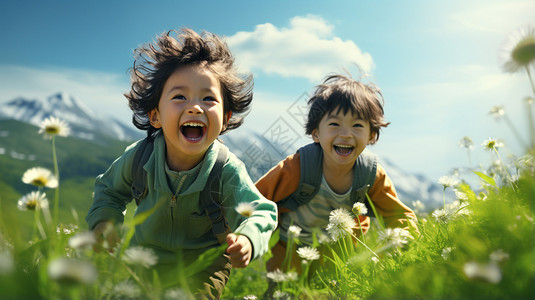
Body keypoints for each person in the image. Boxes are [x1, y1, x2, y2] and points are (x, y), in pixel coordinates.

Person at [85, 28, 277, 299]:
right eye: (179, 97)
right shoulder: (140, 158)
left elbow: (260, 211)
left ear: (225, 118)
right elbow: (109, 190)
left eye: (208, 98)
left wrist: (247, 238)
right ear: (156, 116)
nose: (195, 107)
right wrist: (104, 222)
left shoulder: (226, 169)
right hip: (142, 257)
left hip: (204, 266)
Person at [256, 73, 418, 276]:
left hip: (341, 250)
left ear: (371, 135)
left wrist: (404, 238)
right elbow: (256, 198)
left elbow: (398, 214)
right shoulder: (298, 166)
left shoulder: (370, 173)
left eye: (357, 125)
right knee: (286, 293)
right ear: (316, 133)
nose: (346, 134)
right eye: (334, 124)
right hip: (291, 247)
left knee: (334, 291)